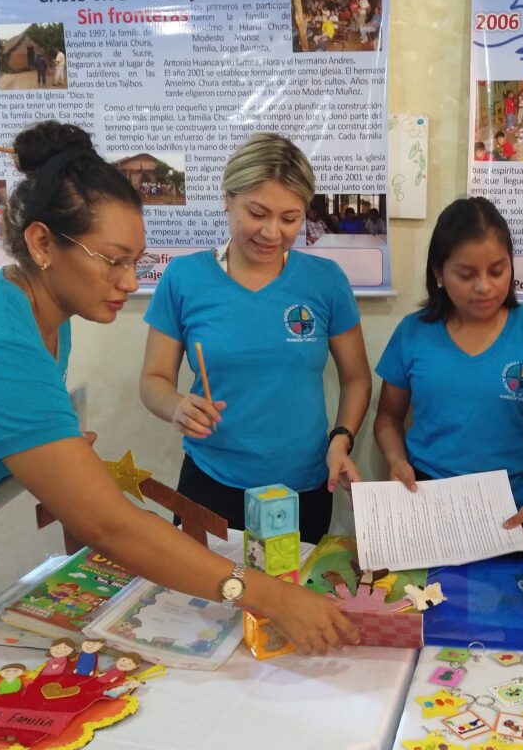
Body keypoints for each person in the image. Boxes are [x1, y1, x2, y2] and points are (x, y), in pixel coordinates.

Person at [0, 121, 357, 659]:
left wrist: (57, 457)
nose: (129, 282)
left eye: (135, 262)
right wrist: (270, 597)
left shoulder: (39, 312)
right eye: (113, 260)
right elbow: (107, 524)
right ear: (43, 243)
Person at [140, 132, 371, 544]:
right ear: (227, 199)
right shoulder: (184, 278)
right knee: (203, 586)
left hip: (302, 490)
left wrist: (341, 440)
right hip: (210, 483)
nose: (271, 232)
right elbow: (153, 380)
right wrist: (176, 407)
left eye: (290, 218)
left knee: (292, 586)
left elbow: (356, 378)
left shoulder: (325, 281)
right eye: (257, 213)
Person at [374, 197, 523, 544]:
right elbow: (388, 417)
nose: (484, 287)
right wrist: (395, 459)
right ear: (439, 273)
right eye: (466, 275)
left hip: (511, 512)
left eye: (497, 270)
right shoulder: (412, 333)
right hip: (425, 503)